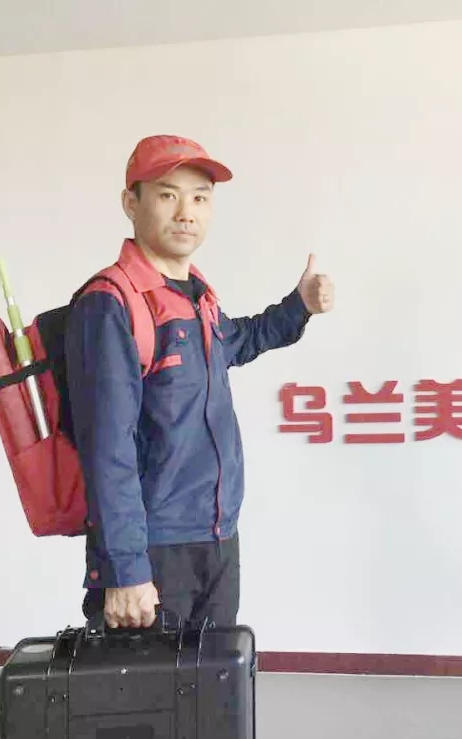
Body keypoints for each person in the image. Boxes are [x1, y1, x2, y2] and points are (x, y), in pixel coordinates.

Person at [65, 134, 334, 630]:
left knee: (216, 678)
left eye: (200, 198)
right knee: (147, 684)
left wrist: (299, 306)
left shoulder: (196, 297)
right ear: (131, 203)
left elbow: (238, 341)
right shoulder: (112, 303)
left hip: (216, 537)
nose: (186, 212)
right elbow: (107, 446)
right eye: (168, 195)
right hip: (154, 550)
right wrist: (125, 570)